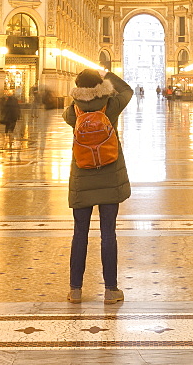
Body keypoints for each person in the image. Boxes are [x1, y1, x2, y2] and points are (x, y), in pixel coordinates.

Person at [64, 69, 133, 305]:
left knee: (79, 234)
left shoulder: (73, 111)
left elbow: (66, 114)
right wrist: (109, 75)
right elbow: (127, 90)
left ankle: (75, 290)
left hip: (82, 176)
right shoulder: (111, 105)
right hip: (109, 176)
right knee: (108, 234)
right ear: (100, 85)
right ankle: (111, 290)